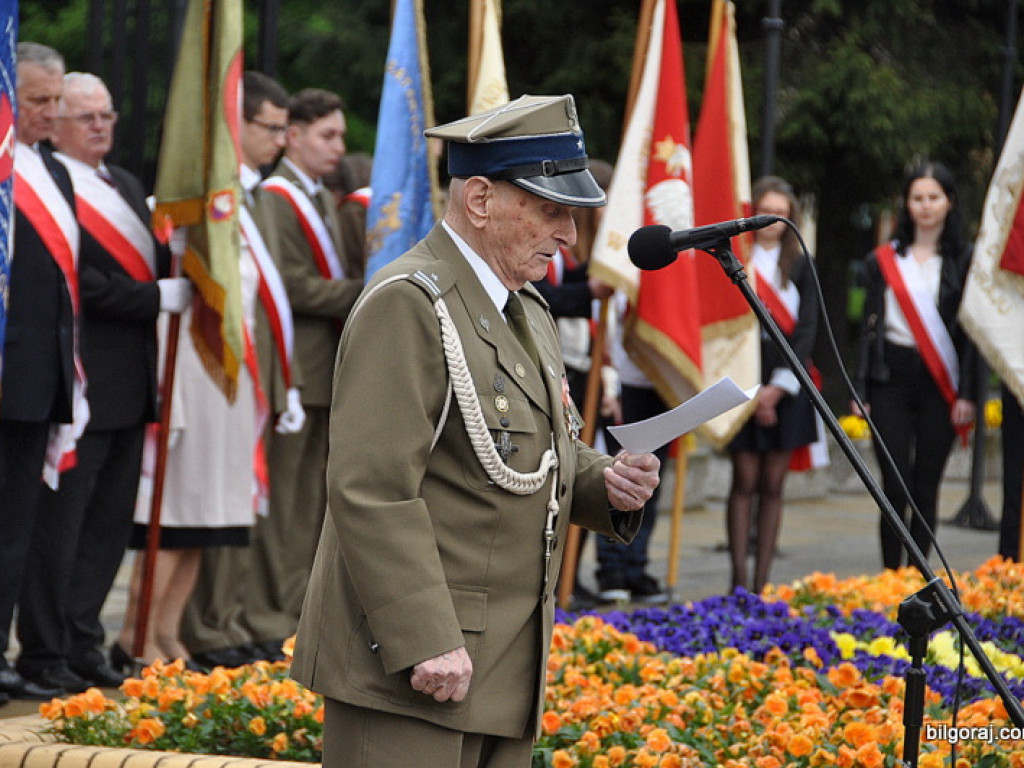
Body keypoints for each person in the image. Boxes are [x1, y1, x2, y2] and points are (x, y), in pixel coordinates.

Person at [290, 94, 660, 768]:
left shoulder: (528, 310)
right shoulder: (408, 304)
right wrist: (424, 637)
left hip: (504, 660)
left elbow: (529, 456)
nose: (569, 237)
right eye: (552, 212)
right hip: (410, 667)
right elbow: (371, 490)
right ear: (481, 199)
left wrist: (605, 483)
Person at [15, 72, 188, 692]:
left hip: (133, 382)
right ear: (57, 120)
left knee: (107, 527)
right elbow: (77, 282)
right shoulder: (46, 180)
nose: (100, 126)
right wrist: (154, 297)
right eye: (85, 116)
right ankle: (47, 647)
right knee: (59, 530)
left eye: (108, 115)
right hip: (85, 382)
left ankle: (83, 640)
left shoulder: (128, 184)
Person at [115, 151, 264, 673]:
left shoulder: (233, 222)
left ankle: (167, 633)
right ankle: (138, 635)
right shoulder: (166, 218)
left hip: (225, 384)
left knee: (205, 525)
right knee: (173, 521)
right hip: (184, 377)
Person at [180, 70, 304, 668]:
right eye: (270, 127)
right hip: (221, 373)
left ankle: (228, 621)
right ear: (239, 122)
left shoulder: (255, 195)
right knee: (216, 505)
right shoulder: (229, 194)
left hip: (259, 373)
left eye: (285, 129)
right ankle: (209, 627)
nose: (280, 140)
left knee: (246, 506)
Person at [253, 88, 364, 646]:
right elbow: (289, 284)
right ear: (292, 135)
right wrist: (368, 292)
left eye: (340, 136)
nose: (338, 147)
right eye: (327, 135)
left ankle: (296, 607)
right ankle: (272, 612)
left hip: (326, 372)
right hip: (298, 370)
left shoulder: (319, 196)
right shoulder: (277, 198)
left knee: (314, 505)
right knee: (288, 507)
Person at [0, 42, 78, 702]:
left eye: (58, 100)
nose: (51, 112)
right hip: (9, 368)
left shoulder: (53, 168)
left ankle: (3, 648)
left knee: (16, 531)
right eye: (38, 101)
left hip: (41, 378)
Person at [852, 161, 978, 570]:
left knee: (926, 485)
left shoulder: (964, 259)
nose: (925, 206)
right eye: (917, 198)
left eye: (933, 197)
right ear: (907, 205)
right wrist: (861, 389)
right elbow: (866, 329)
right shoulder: (882, 261)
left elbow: (973, 334)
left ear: (949, 202)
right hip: (891, 378)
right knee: (892, 484)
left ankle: (918, 576)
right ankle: (890, 575)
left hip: (941, 382)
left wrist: (969, 395)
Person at [725, 176, 818, 593]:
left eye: (782, 214)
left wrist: (776, 390)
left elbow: (807, 332)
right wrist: (753, 391)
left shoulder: (800, 263)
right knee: (744, 480)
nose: (774, 222)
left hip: (787, 384)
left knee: (773, 485)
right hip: (742, 379)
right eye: (767, 212)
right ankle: (738, 581)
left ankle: (762, 583)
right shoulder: (734, 258)